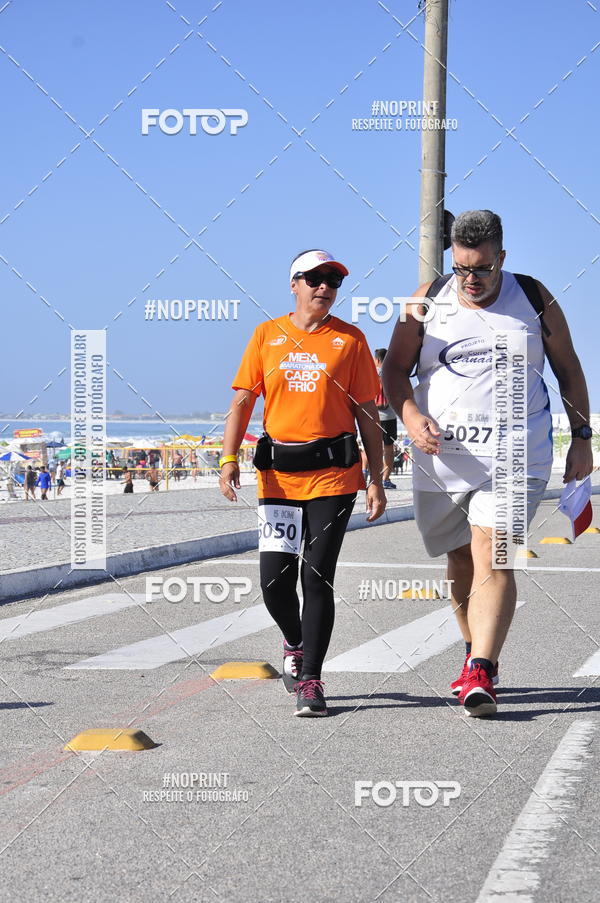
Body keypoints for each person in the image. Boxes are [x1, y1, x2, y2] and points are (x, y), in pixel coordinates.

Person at [382, 209, 593, 717]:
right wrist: (409, 415)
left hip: (518, 455)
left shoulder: (534, 298)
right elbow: (394, 368)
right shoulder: (427, 300)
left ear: (502, 257)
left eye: (482, 268)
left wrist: (582, 438)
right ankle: (473, 652)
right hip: (443, 459)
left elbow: (568, 370)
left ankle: (482, 667)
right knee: (459, 559)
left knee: (494, 554)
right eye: (461, 268)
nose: (470, 279)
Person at [219, 249, 386, 716]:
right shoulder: (266, 335)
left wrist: (375, 477)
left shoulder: (350, 340)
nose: (325, 287)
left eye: (333, 280)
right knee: (274, 582)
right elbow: (242, 401)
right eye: (314, 278)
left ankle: (311, 679)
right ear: (294, 284)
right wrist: (228, 459)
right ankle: (294, 642)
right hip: (278, 479)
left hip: (335, 477)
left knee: (317, 576)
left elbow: (367, 412)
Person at [374, 348, 398, 490]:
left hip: (372, 415)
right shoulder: (392, 373)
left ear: (377, 360)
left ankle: (371, 478)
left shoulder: (370, 373)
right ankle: (386, 479)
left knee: (371, 447)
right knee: (389, 448)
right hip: (389, 416)